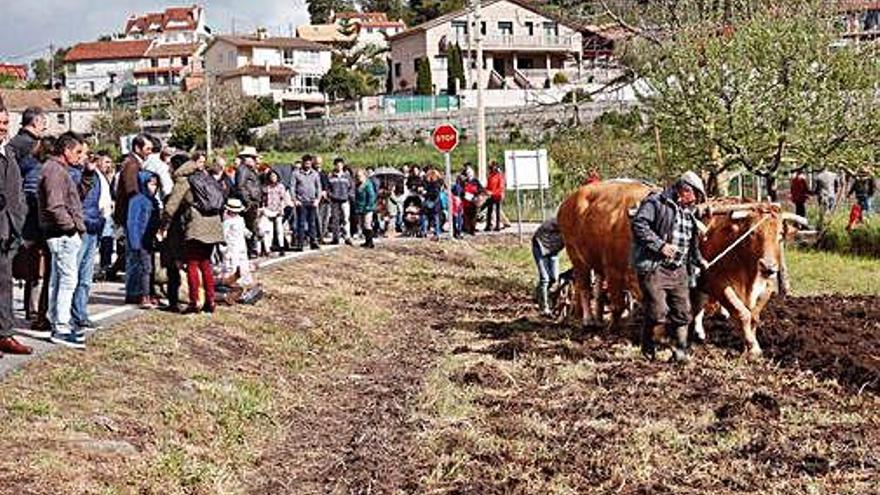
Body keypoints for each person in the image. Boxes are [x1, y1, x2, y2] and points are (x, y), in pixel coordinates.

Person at [631, 171, 708, 363]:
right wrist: (661, 246)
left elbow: (691, 244)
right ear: (685, 190)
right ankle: (648, 346)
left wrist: (699, 260)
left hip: (679, 270)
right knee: (658, 311)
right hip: (655, 267)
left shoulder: (689, 214)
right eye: (696, 195)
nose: (696, 200)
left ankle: (680, 352)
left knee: (683, 312)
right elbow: (639, 224)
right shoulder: (656, 203)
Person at [39, 132, 86, 349]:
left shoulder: (55, 170)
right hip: (61, 234)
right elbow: (55, 205)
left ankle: (59, 322)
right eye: (77, 152)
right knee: (67, 281)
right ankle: (61, 326)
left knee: (60, 280)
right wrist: (71, 228)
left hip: (60, 233)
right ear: (66, 150)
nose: (80, 157)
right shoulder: (55, 171)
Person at [162, 153, 223, 314]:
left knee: (192, 263)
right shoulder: (204, 176)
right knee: (205, 263)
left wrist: (164, 224)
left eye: (170, 165)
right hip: (214, 223)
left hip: (197, 225)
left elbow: (171, 206)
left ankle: (194, 301)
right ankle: (210, 301)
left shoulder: (184, 179)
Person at [0, 100, 32, 355]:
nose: (4, 128)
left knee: (5, 284)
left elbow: (16, 192)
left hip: (8, 230)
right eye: (0, 123)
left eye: (6, 123)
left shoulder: (8, 153)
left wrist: (19, 219)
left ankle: (5, 333)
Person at [70, 150, 110, 328]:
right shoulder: (73, 173)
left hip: (93, 225)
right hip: (80, 226)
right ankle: (69, 314)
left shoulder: (96, 175)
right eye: (82, 153)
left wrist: (101, 220)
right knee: (73, 275)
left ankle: (81, 313)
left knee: (85, 277)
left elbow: (101, 201)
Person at [114, 134, 153, 303]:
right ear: (138, 148)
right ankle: (134, 292)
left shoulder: (135, 163)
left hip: (133, 214)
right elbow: (132, 190)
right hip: (133, 216)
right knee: (135, 255)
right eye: (147, 149)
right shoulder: (132, 165)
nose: (149, 153)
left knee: (135, 255)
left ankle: (135, 291)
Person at [126, 172, 161, 309]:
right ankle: (143, 295)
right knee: (145, 268)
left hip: (150, 239)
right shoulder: (137, 200)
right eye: (151, 184)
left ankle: (150, 294)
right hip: (140, 239)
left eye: (156, 184)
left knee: (150, 268)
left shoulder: (154, 201)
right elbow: (132, 222)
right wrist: (135, 242)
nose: (154, 187)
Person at [532, 217, 564, 316]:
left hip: (553, 250)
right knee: (544, 278)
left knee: (554, 278)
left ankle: (539, 295)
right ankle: (544, 307)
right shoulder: (556, 222)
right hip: (540, 247)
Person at [234, 147, 263, 257]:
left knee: (252, 227)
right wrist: (248, 201)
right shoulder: (243, 170)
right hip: (249, 203)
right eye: (252, 158)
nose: (254, 160)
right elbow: (240, 187)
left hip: (252, 202)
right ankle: (250, 250)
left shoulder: (248, 170)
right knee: (249, 227)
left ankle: (251, 249)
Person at [291, 154, 322, 251]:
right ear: (303, 163)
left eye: (309, 163)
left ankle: (313, 242)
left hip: (312, 201)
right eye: (306, 163)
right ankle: (300, 243)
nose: (308, 164)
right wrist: (295, 200)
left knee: (312, 223)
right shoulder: (296, 173)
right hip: (301, 201)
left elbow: (318, 188)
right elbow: (292, 187)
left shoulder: (315, 174)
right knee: (301, 223)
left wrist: (317, 199)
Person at [220, 198, 254, 286]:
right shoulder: (227, 221)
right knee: (232, 264)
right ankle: (232, 280)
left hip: (241, 244)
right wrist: (224, 247)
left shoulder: (240, 219)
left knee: (243, 261)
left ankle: (244, 279)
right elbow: (224, 234)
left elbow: (242, 228)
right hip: (232, 246)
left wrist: (247, 233)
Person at [262, 169, 290, 253]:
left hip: (278, 210)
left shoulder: (280, 186)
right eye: (271, 176)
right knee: (269, 230)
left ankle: (281, 246)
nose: (273, 178)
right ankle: (268, 247)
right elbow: (264, 199)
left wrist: (281, 209)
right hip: (268, 210)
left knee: (279, 229)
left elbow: (283, 198)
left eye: (274, 176)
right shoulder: (266, 187)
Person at [327, 158, 353, 245]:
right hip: (334, 201)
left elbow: (351, 187)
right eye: (337, 165)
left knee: (346, 219)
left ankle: (347, 237)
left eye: (340, 165)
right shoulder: (330, 176)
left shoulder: (347, 176)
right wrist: (331, 195)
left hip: (345, 200)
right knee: (335, 220)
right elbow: (328, 188)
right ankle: (335, 238)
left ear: (342, 165)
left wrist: (348, 196)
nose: (339, 166)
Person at [354, 168, 377, 249]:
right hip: (360, 208)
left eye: (360, 176)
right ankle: (367, 241)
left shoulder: (368, 185)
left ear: (364, 176)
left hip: (367, 208)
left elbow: (371, 196)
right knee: (362, 225)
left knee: (367, 224)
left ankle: (370, 242)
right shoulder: (357, 185)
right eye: (357, 176)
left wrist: (368, 206)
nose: (358, 178)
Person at [460, 165, 484, 235]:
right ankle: (467, 229)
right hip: (465, 201)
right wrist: (464, 194)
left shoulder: (475, 181)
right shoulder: (464, 181)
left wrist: (476, 194)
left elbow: (481, 189)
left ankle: (472, 230)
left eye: (469, 173)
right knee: (466, 216)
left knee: (473, 216)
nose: (468, 175)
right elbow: (460, 190)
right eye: (467, 173)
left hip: (473, 201)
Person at [422, 169, 444, 240]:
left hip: (432, 202)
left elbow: (434, 193)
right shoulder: (438, 183)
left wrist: (425, 194)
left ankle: (428, 232)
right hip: (436, 203)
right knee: (435, 218)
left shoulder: (434, 184)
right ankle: (435, 232)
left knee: (428, 217)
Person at [484, 161, 505, 231]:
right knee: (489, 210)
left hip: (498, 195)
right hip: (491, 195)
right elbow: (488, 186)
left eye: (493, 167)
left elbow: (501, 188)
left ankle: (498, 226)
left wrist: (492, 193)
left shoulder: (499, 176)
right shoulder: (490, 176)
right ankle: (488, 225)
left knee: (498, 211)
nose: (492, 169)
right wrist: (485, 190)